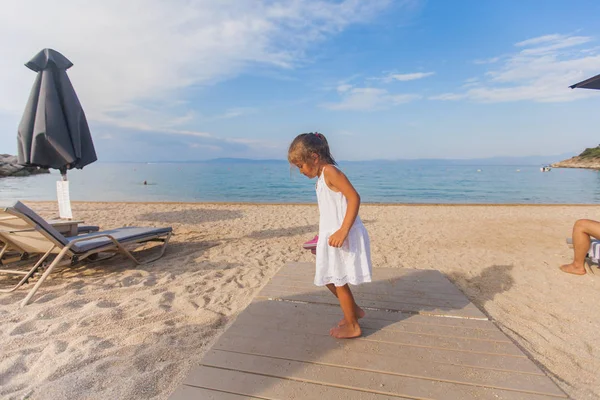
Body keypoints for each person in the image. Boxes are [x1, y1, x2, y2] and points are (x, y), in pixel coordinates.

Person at [288, 132, 372, 339]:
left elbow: (354, 197)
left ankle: (353, 325)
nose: (300, 171)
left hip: (343, 234)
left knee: (338, 279)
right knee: (328, 276)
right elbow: (330, 211)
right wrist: (320, 238)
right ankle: (354, 311)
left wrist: (343, 231)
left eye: (300, 165)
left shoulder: (330, 172)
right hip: (331, 235)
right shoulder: (321, 178)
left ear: (314, 157)